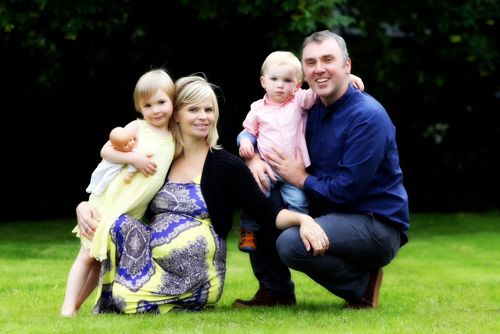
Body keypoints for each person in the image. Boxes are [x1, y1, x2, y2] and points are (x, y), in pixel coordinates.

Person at [73, 74, 329, 314]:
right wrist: (84, 206)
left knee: (120, 299)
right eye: (194, 110)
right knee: (118, 231)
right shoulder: (159, 158)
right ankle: (117, 293)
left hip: (198, 276)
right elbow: (116, 187)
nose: (203, 117)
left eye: (209, 110)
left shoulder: (225, 166)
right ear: (176, 115)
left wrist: (303, 219)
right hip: (153, 265)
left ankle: (145, 294)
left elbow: (267, 212)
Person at [232, 30, 409, 309]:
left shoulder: (367, 117)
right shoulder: (306, 108)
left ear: (347, 65)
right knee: (262, 196)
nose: (319, 68)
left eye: (328, 60)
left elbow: (346, 191)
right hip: (328, 209)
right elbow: (265, 125)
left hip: (374, 223)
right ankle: (275, 291)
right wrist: (253, 159)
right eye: (311, 62)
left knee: (292, 242)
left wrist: (299, 178)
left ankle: (363, 286)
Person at [60, 69, 176, 317]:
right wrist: (133, 157)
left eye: (161, 102)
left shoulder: (173, 136)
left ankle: (78, 305)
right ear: (139, 107)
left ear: (172, 101)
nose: (155, 110)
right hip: (111, 201)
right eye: (148, 105)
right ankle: (67, 307)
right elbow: (106, 151)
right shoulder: (138, 128)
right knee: (87, 256)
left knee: (101, 260)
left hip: (132, 209)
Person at [237, 51, 365, 253]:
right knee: (255, 195)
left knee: (299, 202)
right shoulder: (257, 109)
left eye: (287, 80)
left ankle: (296, 236)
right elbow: (248, 132)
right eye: (274, 79)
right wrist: (246, 144)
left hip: (293, 169)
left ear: (297, 84)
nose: (280, 85)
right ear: (263, 82)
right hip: (267, 169)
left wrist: (347, 79)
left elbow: (321, 90)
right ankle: (248, 230)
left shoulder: (299, 100)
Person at [86, 127, 138, 197]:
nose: (130, 144)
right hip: (107, 162)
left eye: (130, 140)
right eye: (125, 145)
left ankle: (98, 191)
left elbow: (134, 164)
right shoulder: (115, 149)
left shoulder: (134, 152)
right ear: (116, 148)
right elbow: (106, 153)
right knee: (96, 173)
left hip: (116, 167)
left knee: (107, 178)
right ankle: (92, 185)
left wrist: (130, 175)